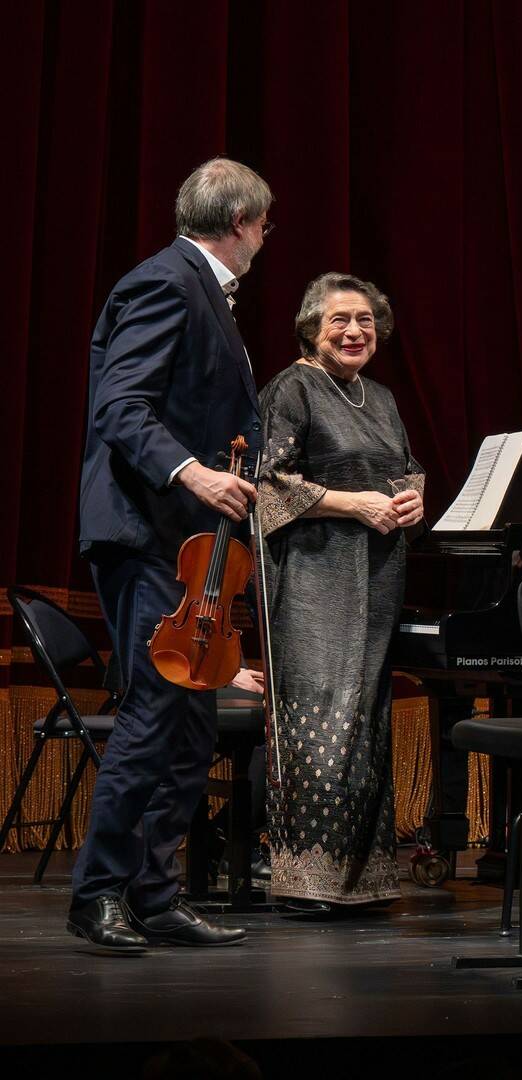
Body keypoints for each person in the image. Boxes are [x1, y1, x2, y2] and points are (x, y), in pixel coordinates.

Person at [69, 157, 273, 950]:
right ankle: (98, 894)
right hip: (147, 533)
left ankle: (153, 893)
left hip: (188, 546)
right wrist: (194, 472)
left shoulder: (201, 290)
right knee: (158, 712)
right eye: (265, 225)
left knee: (191, 726)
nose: (264, 237)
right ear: (243, 223)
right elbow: (121, 405)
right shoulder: (165, 282)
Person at [253, 273, 423, 912]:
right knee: (324, 718)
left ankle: (363, 881)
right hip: (312, 581)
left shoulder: (379, 396)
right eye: (340, 321)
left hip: (377, 577)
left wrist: (413, 498)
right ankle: (305, 881)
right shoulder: (292, 388)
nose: (355, 332)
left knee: (365, 722)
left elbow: (407, 468)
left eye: (366, 322)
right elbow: (269, 487)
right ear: (311, 329)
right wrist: (354, 504)